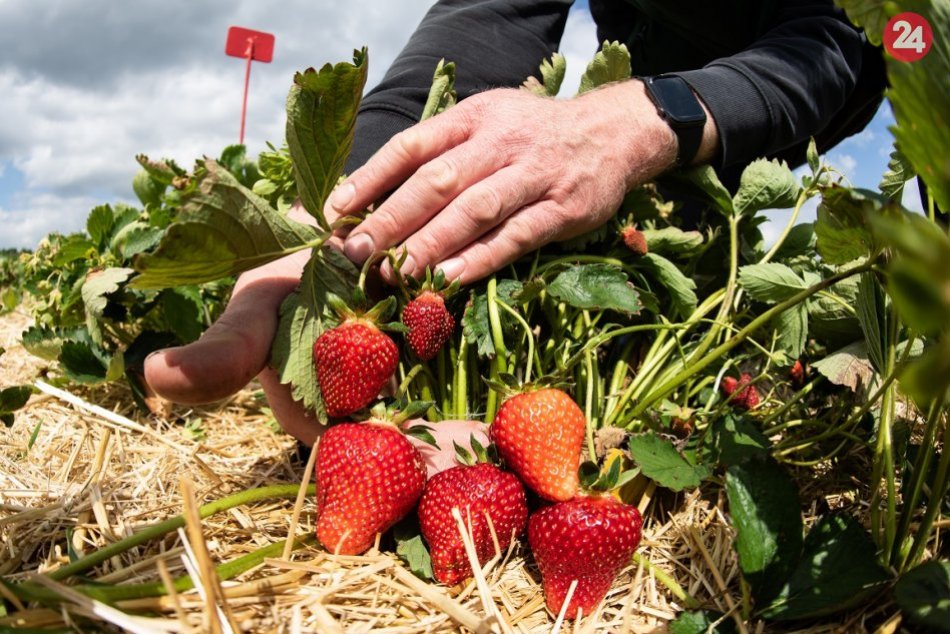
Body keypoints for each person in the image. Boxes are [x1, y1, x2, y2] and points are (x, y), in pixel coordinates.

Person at [144, 0, 885, 469]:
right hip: (630, 148)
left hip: (732, 128)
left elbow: (836, 43)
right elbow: (483, 23)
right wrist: (343, 209)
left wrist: (631, 122)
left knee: (686, 320)